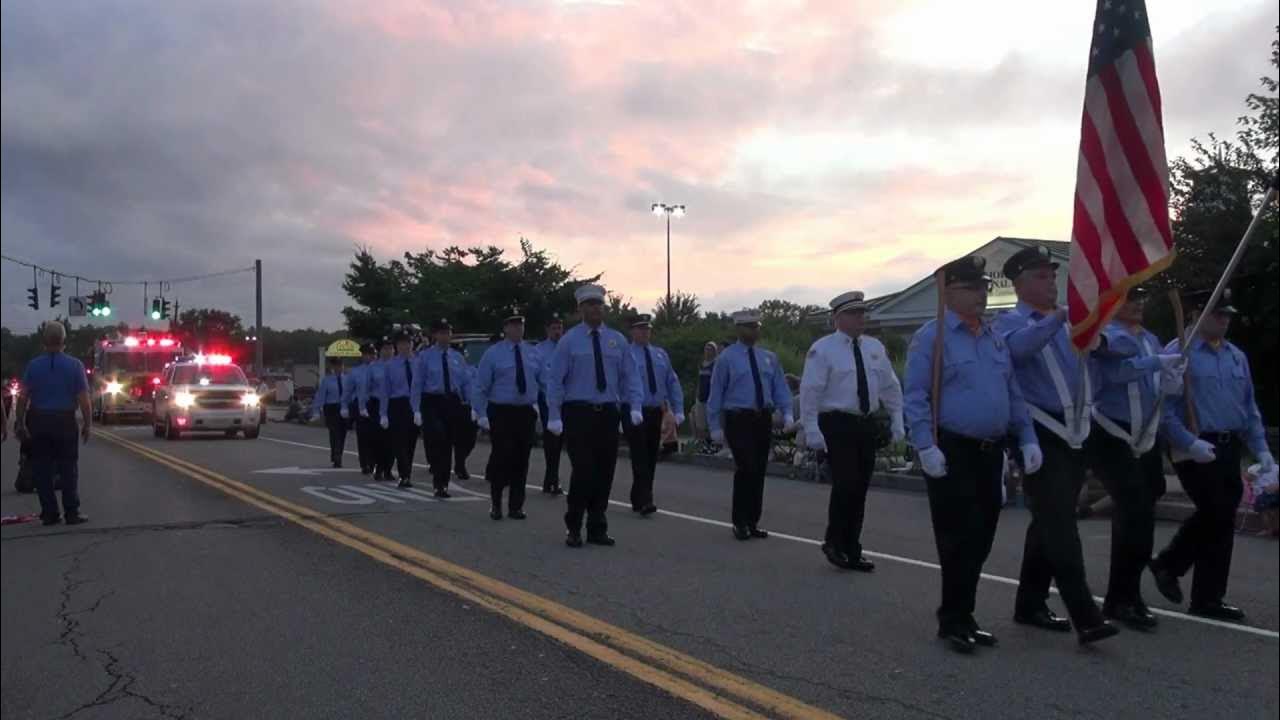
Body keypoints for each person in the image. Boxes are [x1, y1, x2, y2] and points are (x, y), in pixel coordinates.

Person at [903, 256, 1038, 653]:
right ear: (949, 293)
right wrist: (925, 445)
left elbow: (1011, 392)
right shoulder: (932, 338)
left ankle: (964, 612)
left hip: (990, 451)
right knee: (957, 538)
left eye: (984, 287)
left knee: (982, 536)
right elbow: (916, 395)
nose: (982, 294)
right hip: (953, 448)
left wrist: (1027, 436)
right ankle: (955, 619)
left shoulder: (994, 337)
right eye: (973, 288)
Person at [994, 245, 1117, 645]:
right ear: (1020, 283)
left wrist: (1094, 328)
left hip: (1077, 430)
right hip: (1039, 433)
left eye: (1052, 275)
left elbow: (1111, 350)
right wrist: (1062, 316)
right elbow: (1018, 350)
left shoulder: (1070, 323)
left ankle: (1029, 604)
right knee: (1060, 525)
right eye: (1041, 277)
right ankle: (1086, 615)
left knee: (1051, 518)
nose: (1051, 283)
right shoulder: (1007, 323)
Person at [1151, 289, 1274, 622]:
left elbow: (1247, 408)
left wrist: (1261, 449)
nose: (1225, 320)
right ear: (1195, 315)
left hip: (1228, 444)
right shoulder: (1179, 353)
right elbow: (1165, 410)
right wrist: (1188, 442)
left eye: (1227, 315)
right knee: (1215, 509)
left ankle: (1205, 595)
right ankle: (1171, 564)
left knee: (1222, 518)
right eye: (1218, 314)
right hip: (1193, 444)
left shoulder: (1236, 356)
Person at [1088, 286, 1186, 630]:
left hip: (1144, 436)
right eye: (1131, 298)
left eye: (1142, 297)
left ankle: (1127, 595)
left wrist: (1169, 381)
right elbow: (1117, 373)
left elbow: (1155, 385)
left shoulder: (1150, 339)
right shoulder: (1105, 337)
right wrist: (1155, 363)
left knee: (1142, 515)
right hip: (1111, 433)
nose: (1139, 304)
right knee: (1135, 510)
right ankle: (1120, 599)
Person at [801, 290, 905, 573]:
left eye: (863, 313)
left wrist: (897, 418)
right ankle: (834, 542)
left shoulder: (874, 347)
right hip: (837, 423)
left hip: (865, 423)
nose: (861, 318)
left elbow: (889, 385)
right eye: (854, 313)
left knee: (860, 488)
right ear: (838, 318)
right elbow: (811, 390)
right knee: (845, 484)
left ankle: (852, 548)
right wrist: (811, 427)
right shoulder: (822, 349)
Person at [545, 283, 644, 548]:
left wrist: (634, 406)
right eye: (590, 304)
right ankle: (574, 525)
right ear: (580, 309)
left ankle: (597, 525)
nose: (595, 308)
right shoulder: (568, 342)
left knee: (605, 472)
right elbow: (555, 381)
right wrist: (554, 415)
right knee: (584, 471)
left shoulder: (617, 340)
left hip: (608, 414)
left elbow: (630, 376)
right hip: (579, 413)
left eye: (599, 304)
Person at [706, 309, 794, 541]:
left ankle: (753, 520)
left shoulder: (769, 357)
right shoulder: (726, 358)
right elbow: (716, 393)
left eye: (756, 326)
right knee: (745, 467)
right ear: (738, 329)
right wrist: (715, 425)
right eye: (748, 327)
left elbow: (780, 388)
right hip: (739, 418)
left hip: (762, 417)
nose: (753, 331)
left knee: (759, 470)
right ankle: (740, 521)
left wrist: (787, 413)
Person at [13, 321, 92, 526]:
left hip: (39, 421)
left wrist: (20, 422)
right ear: (64, 340)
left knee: (42, 468)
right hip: (65, 421)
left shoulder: (33, 366)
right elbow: (84, 399)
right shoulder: (75, 365)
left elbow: (22, 398)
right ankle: (71, 512)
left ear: (44, 341)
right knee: (68, 468)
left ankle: (49, 513)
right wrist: (87, 424)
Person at [473, 312, 542, 520]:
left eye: (520, 325)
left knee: (522, 459)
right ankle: (496, 504)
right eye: (513, 326)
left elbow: (545, 380)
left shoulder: (533, 353)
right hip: (501, 411)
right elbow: (480, 387)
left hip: (525, 412)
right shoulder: (493, 354)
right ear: (505, 329)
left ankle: (516, 506)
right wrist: (481, 413)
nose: (518, 329)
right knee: (502, 457)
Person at [623, 314, 684, 516]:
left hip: (655, 411)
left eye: (647, 329)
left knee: (650, 455)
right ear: (632, 331)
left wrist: (678, 409)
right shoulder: (626, 354)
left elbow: (672, 382)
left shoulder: (660, 355)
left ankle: (637, 496)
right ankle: (646, 499)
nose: (644, 332)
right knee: (639, 454)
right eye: (640, 329)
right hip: (633, 411)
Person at [411, 319, 473, 498]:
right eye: (442, 333)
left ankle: (443, 483)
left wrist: (471, 404)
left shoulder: (457, 357)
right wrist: (415, 409)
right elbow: (417, 384)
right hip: (432, 401)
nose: (446, 336)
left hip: (452, 401)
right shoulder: (424, 357)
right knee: (438, 439)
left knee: (450, 443)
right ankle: (439, 483)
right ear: (435, 335)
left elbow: (465, 382)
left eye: (448, 332)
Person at [378, 329, 418, 488]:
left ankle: (407, 471)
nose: (405, 346)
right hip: (397, 405)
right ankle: (404, 475)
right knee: (399, 441)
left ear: (412, 344)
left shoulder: (419, 362)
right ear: (397, 346)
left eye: (408, 343)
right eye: (401, 343)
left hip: (414, 405)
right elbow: (385, 391)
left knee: (411, 442)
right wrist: (383, 414)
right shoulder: (390, 365)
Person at [535, 314, 567, 494]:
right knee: (552, 442)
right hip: (548, 401)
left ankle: (551, 479)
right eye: (554, 328)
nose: (557, 332)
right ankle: (552, 478)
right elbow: (538, 378)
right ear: (547, 330)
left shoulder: (568, 348)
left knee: (564, 442)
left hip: (568, 401)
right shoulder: (539, 351)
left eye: (559, 328)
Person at [360, 339, 394, 481]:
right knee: (378, 439)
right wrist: (363, 406)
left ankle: (388, 469)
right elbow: (365, 389)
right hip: (376, 404)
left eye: (390, 348)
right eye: (385, 349)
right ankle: (379, 468)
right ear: (379, 351)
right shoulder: (373, 367)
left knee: (392, 439)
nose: (388, 351)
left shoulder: (398, 365)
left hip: (394, 404)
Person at [311, 356, 348, 468]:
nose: (339, 368)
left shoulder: (347, 379)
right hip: (332, 408)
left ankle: (337, 454)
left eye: (340, 365)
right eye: (336, 365)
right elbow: (320, 396)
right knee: (335, 433)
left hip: (344, 409)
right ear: (333, 367)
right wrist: (316, 411)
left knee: (342, 434)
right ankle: (337, 458)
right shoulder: (327, 380)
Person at [345, 344, 376, 475]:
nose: (370, 356)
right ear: (362, 356)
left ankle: (374, 462)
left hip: (376, 404)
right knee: (363, 436)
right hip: (360, 405)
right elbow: (348, 390)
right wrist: (346, 406)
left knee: (375, 436)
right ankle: (365, 464)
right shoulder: (356, 371)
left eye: (372, 353)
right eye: (367, 354)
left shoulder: (381, 369)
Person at [451, 340, 478, 480]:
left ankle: (459, 462)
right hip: (457, 406)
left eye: (464, 353)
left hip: (471, 407)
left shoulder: (472, 369)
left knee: (471, 439)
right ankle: (460, 465)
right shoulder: (452, 370)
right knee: (457, 439)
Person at [692, 342, 718, 450]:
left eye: (710, 349)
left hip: (711, 397)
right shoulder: (702, 364)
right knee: (701, 423)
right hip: (701, 397)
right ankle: (703, 444)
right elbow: (699, 381)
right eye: (706, 349)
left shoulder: (716, 364)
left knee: (711, 423)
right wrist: (696, 395)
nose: (707, 351)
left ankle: (714, 444)